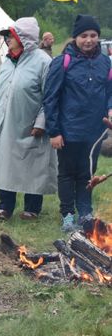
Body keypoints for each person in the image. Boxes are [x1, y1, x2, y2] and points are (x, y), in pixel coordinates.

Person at [0, 17, 57, 220]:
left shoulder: (44, 62)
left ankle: (32, 208)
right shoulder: (7, 63)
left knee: (34, 165)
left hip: (30, 124)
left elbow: (51, 96)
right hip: (6, 123)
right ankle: (5, 206)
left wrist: (41, 122)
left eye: (11, 35)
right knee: (5, 164)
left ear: (23, 37)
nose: (8, 39)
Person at [44, 14, 112, 231]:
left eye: (93, 35)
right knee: (67, 173)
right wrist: (54, 131)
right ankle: (67, 215)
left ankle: (85, 213)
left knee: (87, 172)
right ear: (75, 38)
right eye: (84, 35)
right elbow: (50, 97)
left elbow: (109, 91)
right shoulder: (62, 62)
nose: (89, 40)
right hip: (67, 129)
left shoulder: (105, 63)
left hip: (94, 131)